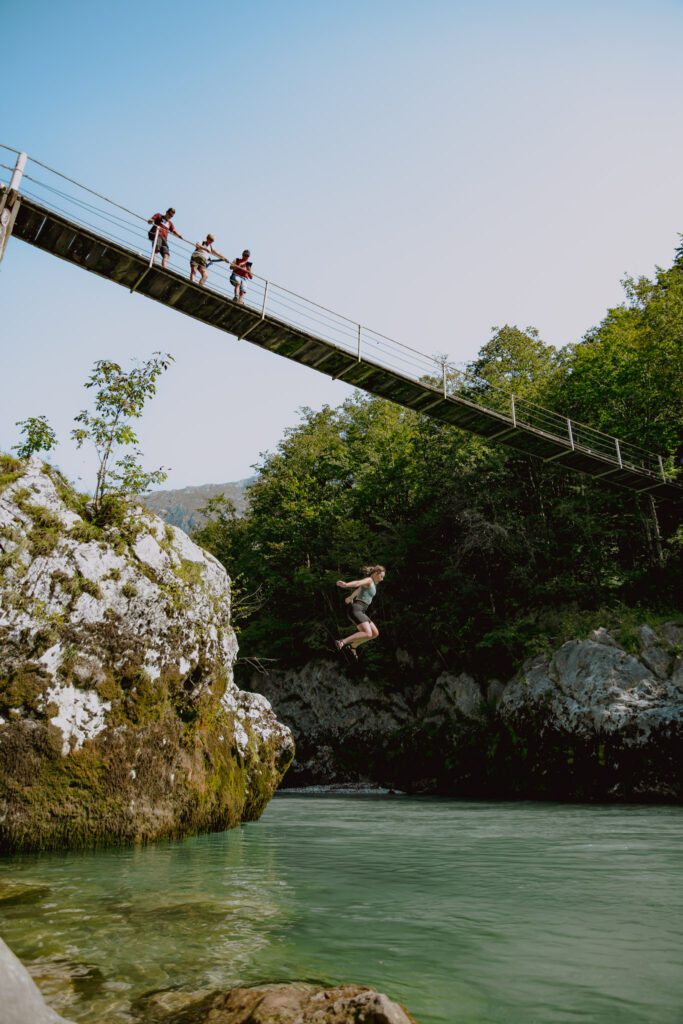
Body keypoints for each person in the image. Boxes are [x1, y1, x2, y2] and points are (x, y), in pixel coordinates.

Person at [335, 565, 386, 657]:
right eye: (381, 576)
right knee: (368, 633)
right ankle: (342, 641)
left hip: (361, 610)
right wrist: (346, 585)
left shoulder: (372, 584)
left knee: (375, 633)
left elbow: (359, 589)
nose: (382, 579)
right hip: (356, 609)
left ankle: (353, 646)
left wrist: (351, 597)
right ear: (375, 573)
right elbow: (358, 583)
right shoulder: (369, 580)